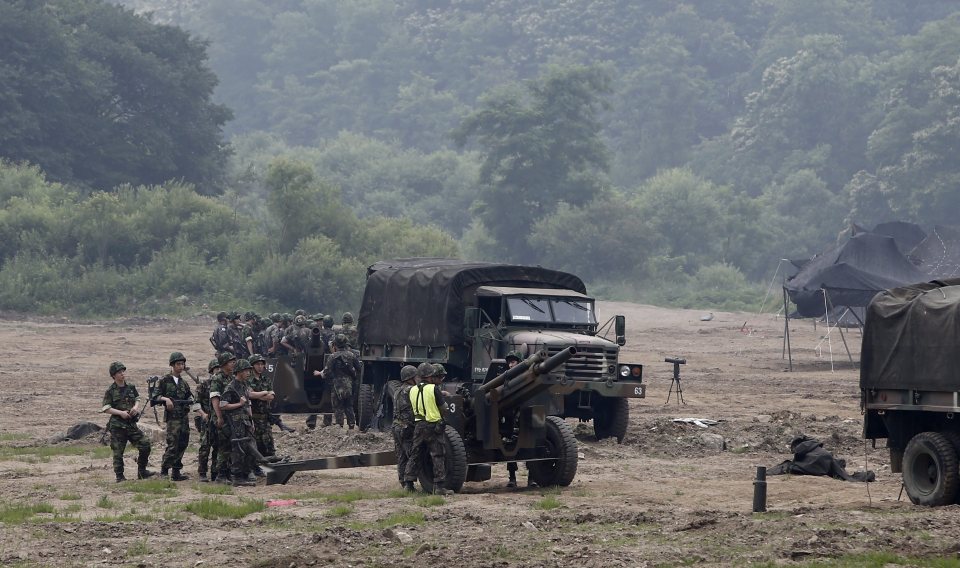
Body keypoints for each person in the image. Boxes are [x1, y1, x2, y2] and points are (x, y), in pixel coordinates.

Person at [101, 361, 155, 482]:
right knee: (118, 452)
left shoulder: (130, 387)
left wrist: (136, 407)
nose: (122, 374)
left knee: (145, 444)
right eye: (119, 372)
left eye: (122, 372)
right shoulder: (110, 391)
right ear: (113, 375)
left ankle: (142, 471)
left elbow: (137, 398)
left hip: (131, 424)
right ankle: (120, 476)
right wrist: (120, 413)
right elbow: (105, 408)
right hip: (117, 426)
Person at [404, 362, 453, 495]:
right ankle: (439, 487)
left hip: (419, 425)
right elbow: (443, 408)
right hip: (433, 425)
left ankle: (408, 484)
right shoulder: (433, 388)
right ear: (430, 376)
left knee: (415, 454)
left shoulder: (412, 390)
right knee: (437, 455)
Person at [155, 351, 195, 481]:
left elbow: (190, 396)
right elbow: (155, 397)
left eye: (182, 364)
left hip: (183, 417)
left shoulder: (184, 383)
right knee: (172, 444)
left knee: (183, 443)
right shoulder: (165, 381)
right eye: (178, 364)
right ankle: (164, 470)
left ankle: (176, 471)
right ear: (172, 365)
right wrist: (166, 399)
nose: (181, 366)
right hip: (172, 418)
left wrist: (190, 399)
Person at [220, 359, 259, 487]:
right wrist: (239, 404)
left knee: (250, 448)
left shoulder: (244, 386)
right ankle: (237, 477)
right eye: (246, 371)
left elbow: (248, 405)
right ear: (239, 372)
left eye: (249, 370)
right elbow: (223, 405)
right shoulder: (231, 387)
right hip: (235, 424)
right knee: (238, 449)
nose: (249, 373)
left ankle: (246, 473)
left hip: (246, 422)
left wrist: (251, 421)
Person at [314, 334, 361, 428]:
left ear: (335, 345)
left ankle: (340, 426)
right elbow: (359, 368)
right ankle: (351, 425)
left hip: (337, 385)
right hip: (350, 384)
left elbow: (327, 372)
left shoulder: (332, 357)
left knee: (338, 407)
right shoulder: (352, 355)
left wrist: (319, 373)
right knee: (349, 405)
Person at [502, 351, 534, 488]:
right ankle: (512, 478)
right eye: (509, 362)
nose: (510, 364)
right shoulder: (506, 377)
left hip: (525, 416)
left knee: (532, 447)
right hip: (510, 417)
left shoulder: (526, 376)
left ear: (519, 363)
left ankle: (532, 478)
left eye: (513, 361)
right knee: (510, 446)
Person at [210, 351, 237, 483]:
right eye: (231, 362)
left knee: (230, 446)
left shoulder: (231, 377)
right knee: (223, 446)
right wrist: (219, 417)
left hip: (231, 416)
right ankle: (220, 475)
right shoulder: (217, 378)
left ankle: (227, 473)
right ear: (224, 364)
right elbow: (215, 399)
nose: (234, 364)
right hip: (222, 417)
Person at [391, 365, 419, 490]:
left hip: (396, 426)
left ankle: (402, 481)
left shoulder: (398, 390)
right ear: (411, 378)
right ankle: (409, 483)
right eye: (416, 376)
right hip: (407, 427)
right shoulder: (412, 390)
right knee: (413, 454)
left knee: (401, 455)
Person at [247, 354, 276, 465]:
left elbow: (272, 396)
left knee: (269, 444)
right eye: (257, 364)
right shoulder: (248, 380)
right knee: (255, 445)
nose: (260, 366)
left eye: (262, 364)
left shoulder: (266, 379)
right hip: (253, 418)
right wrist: (264, 393)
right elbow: (249, 394)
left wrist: (258, 395)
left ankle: (271, 467)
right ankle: (256, 467)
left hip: (265, 418)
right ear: (252, 366)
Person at [195, 358, 219, 482]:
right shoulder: (203, 385)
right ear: (211, 370)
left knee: (218, 447)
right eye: (216, 369)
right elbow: (196, 404)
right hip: (207, 420)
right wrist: (203, 414)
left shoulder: (224, 384)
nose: (218, 371)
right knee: (205, 447)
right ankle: (202, 473)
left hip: (219, 420)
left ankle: (216, 472)